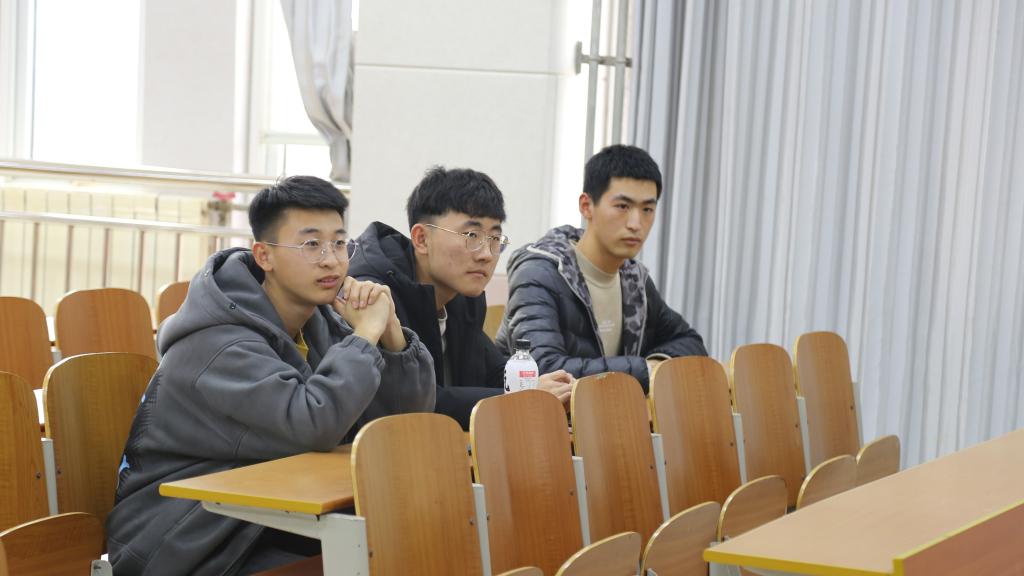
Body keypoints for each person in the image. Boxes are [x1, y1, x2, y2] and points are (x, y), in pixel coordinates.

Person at [106, 176, 435, 575]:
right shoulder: (218, 344)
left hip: (258, 516)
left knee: (413, 540)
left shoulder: (320, 321)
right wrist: (365, 335)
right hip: (186, 535)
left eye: (339, 243)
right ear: (264, 256)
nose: (331, 260)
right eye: (311, 245)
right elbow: (311, 424)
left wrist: (391, 336)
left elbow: (400, 422)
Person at [348, 166, 573, 429]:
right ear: (421, 239)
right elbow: (417, 402)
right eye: (471, 236)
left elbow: (492, 372)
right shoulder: (375, 293)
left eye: (495, 238)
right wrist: (521, 399)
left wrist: (549, 388)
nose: (486, 254)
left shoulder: (462, 294)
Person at [498, 145, 707, 391]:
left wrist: (655, 364)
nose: (636, 223)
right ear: (586, 206)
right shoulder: (540, 273)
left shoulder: (633, 279)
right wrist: (646, 371)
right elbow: (544, 369)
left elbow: (690, 342)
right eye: (623, 206)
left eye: (647, 210)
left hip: (609, 411)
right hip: (536, 413)